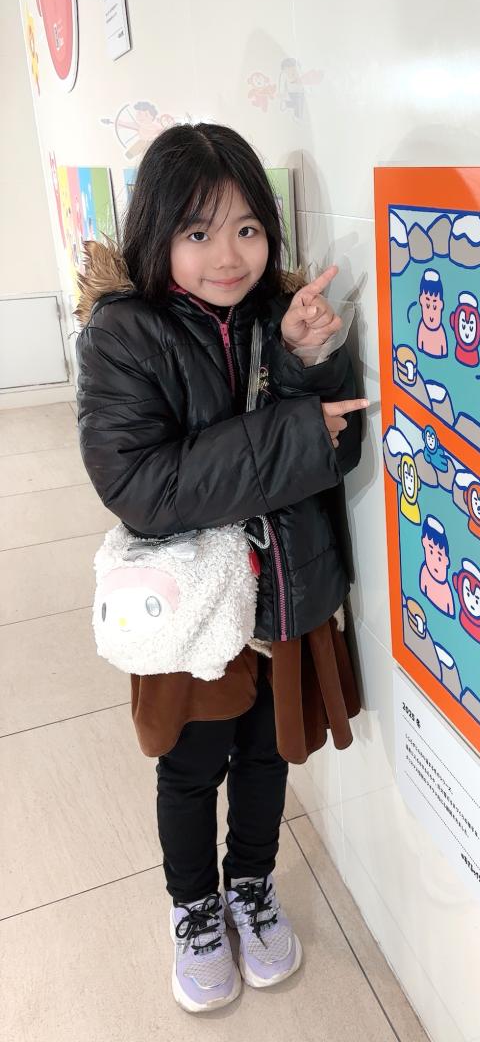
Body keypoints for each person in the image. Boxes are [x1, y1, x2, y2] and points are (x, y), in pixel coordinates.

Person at [76, 124, 369, 1013]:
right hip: (193, 612)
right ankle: (195, 910)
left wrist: (307, 357)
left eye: (247, 228)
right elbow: (143, 486)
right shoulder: (123, 334)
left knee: (267, 755)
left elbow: (337, 446)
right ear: (156, 233)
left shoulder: (280, 312)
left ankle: (252, 886)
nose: (228, 255)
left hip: (282, 595)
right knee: (192, 764)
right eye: (198, 232)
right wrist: (292, 432)